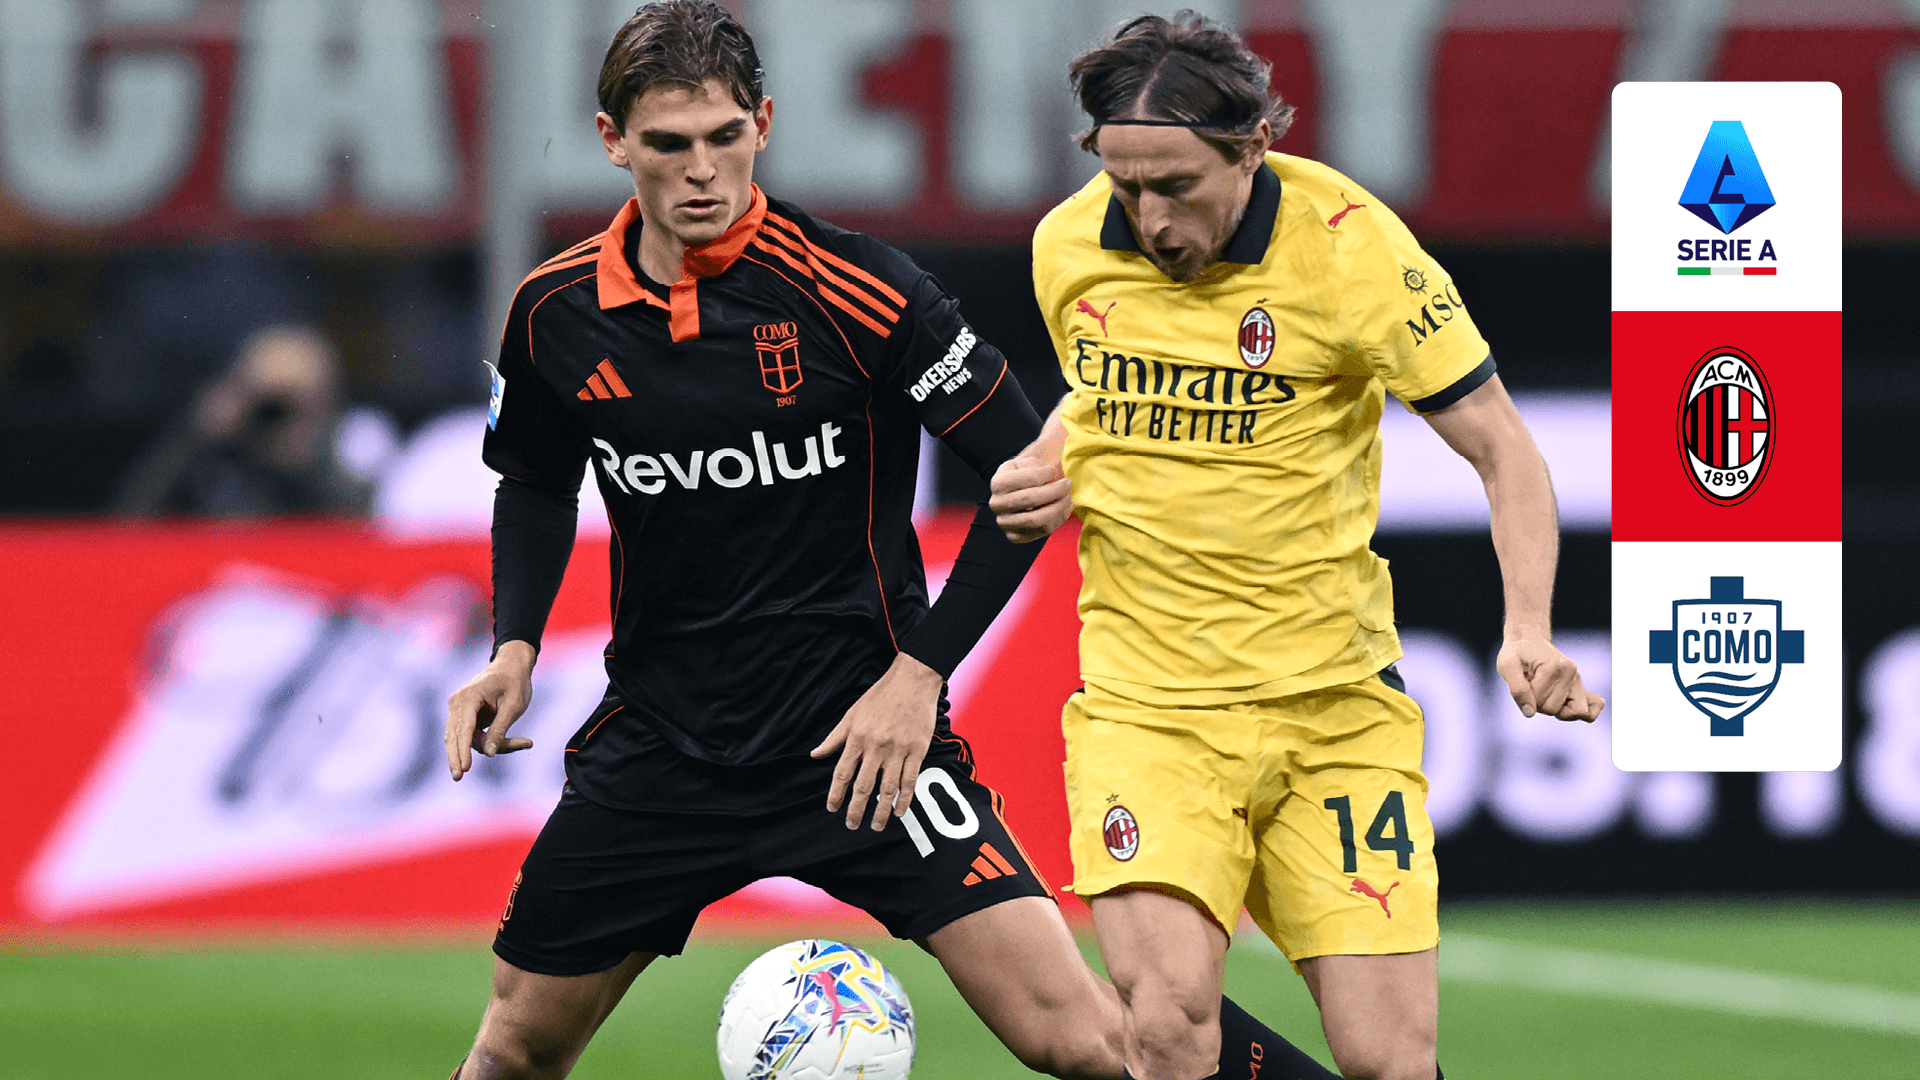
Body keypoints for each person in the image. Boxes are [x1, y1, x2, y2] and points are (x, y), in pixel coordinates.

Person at [443, 4, 1338, 1078]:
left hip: (864, 749)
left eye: (725, 136)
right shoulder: (552, 313)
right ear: (613, 141)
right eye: (670, 144)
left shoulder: (858, 287)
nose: (702, 171)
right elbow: (536, 483)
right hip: (663, 753)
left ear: (764, 123)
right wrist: (514, 647)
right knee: (515, 1048)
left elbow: (1030, 484)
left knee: (1094, 1040)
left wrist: (919, 675)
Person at [989, 14, 1607, 1080]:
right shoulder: (1068, 247)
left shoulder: (1353, 249)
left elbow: (1504, 448)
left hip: (1332, 707)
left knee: (1386, 1059)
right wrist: (1051, 461)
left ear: (1252, 147)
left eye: (1176, 185)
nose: (1150, 218)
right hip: (1149, 711)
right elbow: (1103, 388)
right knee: (1166, 1025)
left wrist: (1529, 629)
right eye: (1125, 185)